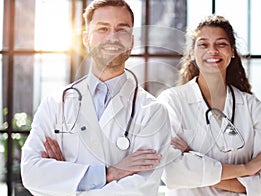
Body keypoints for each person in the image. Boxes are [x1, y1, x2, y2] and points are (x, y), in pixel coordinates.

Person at [21, 0, 170, 195]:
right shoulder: (55, 103)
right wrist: (109, 173)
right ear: (86, 39)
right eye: (102, 29)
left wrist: (65, 182)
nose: (112, 37)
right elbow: (32, 173)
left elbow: (139, 190)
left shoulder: (152, 111)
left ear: (132, 41)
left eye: (122, 29)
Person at [158, 14, 261, 195]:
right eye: (203, 44)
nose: (212, 51)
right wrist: (246, 169)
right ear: (192, 52)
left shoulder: (253, 108)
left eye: (221, 44)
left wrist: (193, 159)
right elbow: (172, 173)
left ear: (232, 51)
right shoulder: (172, 102)